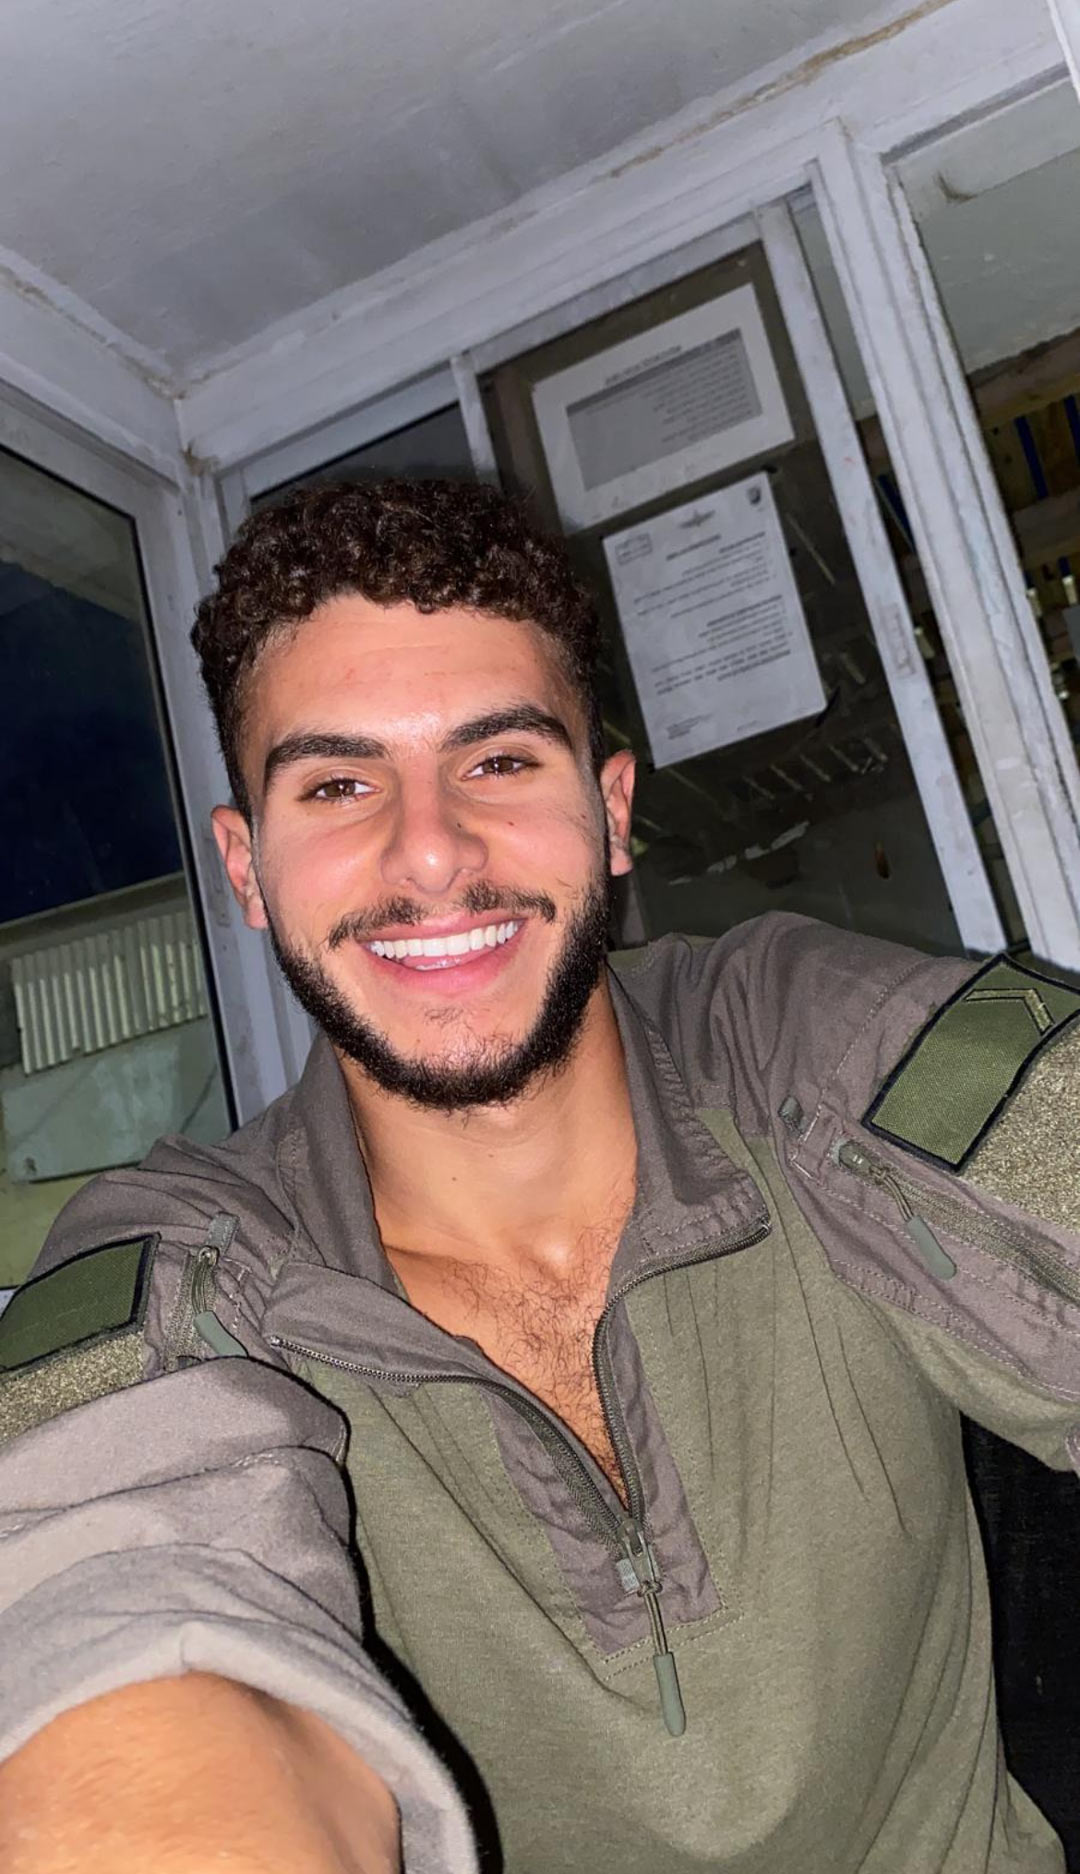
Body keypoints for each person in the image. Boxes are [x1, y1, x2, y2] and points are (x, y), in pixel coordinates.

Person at [0, 477, 1077, 1874]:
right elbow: (102, 1602)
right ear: (247, 866)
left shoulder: (804, 1041)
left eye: (500, 761)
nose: (431, 849)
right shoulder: (183, 1264)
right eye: (338, 785)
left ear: (612, 812)